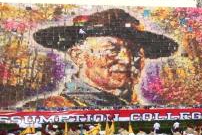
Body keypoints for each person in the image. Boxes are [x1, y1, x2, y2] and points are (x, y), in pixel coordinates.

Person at [23, 8, 179, 109]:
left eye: (134, 52)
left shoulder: (138, 108)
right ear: (78, 56)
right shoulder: (47, 108)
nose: (127, 60)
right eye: (111, 50)